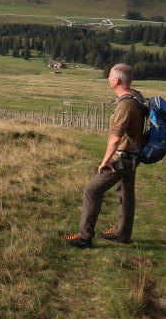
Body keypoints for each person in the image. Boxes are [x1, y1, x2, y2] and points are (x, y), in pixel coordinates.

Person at [64, 63, 146, 248]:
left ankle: (85, 237)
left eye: (110, 75)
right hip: (133, 156)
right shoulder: (136, 96)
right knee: (126, 193)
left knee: (92, 190)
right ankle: (122, 234)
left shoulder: (125, 104)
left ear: (116, 80)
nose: (108, 78)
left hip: (123, 157)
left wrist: (105, 161)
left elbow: (116, 138)